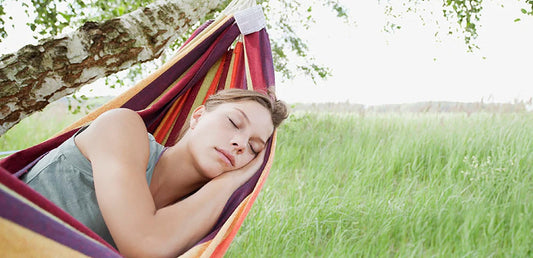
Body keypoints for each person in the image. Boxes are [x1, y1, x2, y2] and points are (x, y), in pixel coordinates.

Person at [21, 88, 288, 257]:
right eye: (233, 122)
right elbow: (144, 245)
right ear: (197, 116)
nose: (240, 145)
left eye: (254, 148)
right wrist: (229, 182)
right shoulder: (122, 127)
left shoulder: (203, 216)